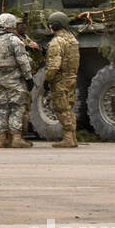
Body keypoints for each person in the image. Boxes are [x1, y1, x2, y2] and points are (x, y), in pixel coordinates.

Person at [0, 13, 33, 149]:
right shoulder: (14, 40)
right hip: (14, 79)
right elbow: (23, 60)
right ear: (11, 25)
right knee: (17, 106)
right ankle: (16, 138)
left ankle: (2, 138)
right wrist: (29, 78)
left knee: (1, 107)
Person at [44, 12, 80, 148]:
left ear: (54, 25)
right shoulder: (72, 40)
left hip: (60, 80)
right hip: (71, 77)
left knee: (61, 108)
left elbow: (54, 66)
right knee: (68, 107)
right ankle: (73, 137)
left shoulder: (56, 42)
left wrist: (47, 78)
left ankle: (68, 138)